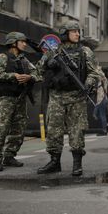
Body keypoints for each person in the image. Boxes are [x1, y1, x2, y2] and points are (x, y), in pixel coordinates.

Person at [37, 21, 99, 176]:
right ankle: (54, 162)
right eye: (74, 31)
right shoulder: (53, 51)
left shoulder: (85, 51)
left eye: (78, 31)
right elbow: (39, 70)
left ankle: (77, 164)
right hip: (56, 97)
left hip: (77, 97)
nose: (77, 34)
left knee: (77, 131)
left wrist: (89, 83)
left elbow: (94, 72)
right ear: (65, 34)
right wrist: (49, 65)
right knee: (53, 130)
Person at [0, 32, 40, 172]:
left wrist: (30, 77)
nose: (24, 44)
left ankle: (9, 156)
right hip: (6, 99)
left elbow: (38, 74)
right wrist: (14, 76)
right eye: (22, 41)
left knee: (19, 129)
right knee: (1, 129)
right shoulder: (2, 58)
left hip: (21, 99)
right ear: (13, 43)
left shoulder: (24, 60)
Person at [93, 66, 108, 136]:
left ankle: (104, 129)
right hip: (104, 98)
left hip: (102, 98)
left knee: (101, 114)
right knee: (101, 114)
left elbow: (100, 96)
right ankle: (104, 127)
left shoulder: (101, 82)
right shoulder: (105, 80)